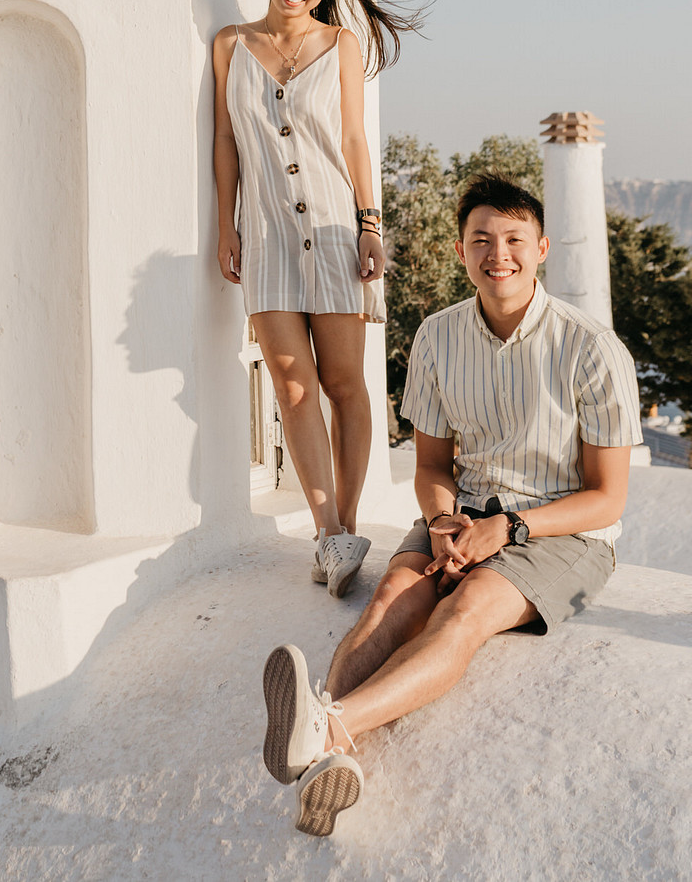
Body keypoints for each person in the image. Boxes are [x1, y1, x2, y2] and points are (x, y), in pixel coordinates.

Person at [259, 172, 643, 838]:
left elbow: (607, 496)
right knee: (388, 604)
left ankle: (330, 726)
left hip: (562, 533)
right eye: (482, 240)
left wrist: (510, 527)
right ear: (462, 252)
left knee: (462, 613)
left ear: (542, 247)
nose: (500, 254)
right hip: (463, 514)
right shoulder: (437, 338)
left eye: (515, 239)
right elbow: (433, 467)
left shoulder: (592, 349)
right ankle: (326, 754)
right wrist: (441, 521)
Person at [213, 0, 420, 595]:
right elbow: (225, 142)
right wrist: (226, 223)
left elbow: (355, 143)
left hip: (336, 232)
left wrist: (370, 222)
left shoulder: (342, 47)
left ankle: (350, 523)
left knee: (343, 384)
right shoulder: (229, 45)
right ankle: (327, 532)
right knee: (291, 385)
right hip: (268, 238)